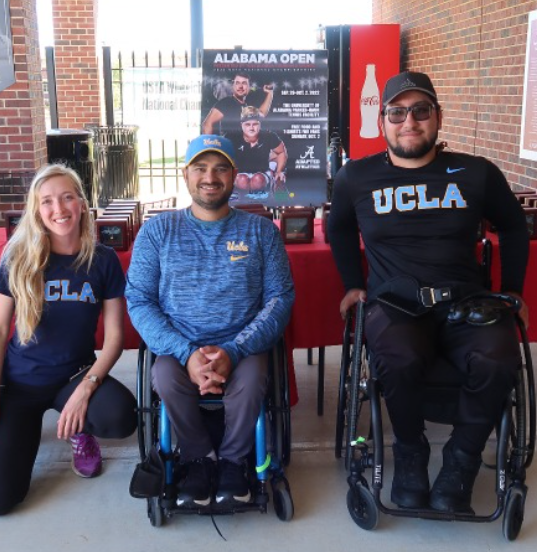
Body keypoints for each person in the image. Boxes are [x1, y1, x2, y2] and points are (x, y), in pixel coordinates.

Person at [328, 71, 529, 514]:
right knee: (397, 359)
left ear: (438, 117)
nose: (409, 121)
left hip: (467, 302)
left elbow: (515, 225)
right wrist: (352, 285)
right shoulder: (355, 177)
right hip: (394, 303)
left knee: (498, 358)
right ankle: (411, 454)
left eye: (421, 111)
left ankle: (461, 461)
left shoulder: (477, 173)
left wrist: (512, 290)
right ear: (382, 121)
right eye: (397, 112)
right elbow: (338, 228)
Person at [125, 135, 294, 508]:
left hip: (243, 345)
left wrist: (233, 351)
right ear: (185, 175)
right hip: (178, 345)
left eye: (220, 168)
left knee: (251, 382)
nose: (210, 177)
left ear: (234, 175)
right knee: (165, 377)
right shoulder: (156, 232)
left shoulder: (261, 232)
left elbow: (280, 299)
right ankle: (198, 458)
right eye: (200, 168)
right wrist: (187, 354)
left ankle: (234, 461)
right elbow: (139, 300)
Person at [0, 164, 137, 515]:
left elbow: (115, 339)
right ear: (36, 209)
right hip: (20, 384)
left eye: (66, 198)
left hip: (74, 374)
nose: (58, 209)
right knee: (3, 500)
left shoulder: (103, 261)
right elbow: (1, 330)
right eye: (47, 201)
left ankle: (80, 430)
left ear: (81, 203)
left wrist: (86, 388)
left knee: (121, 416)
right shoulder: (16, 258)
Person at [229, 106, 288, 196]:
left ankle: (277, 197)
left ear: (260, 124)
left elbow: (281, 152)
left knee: (258, 179)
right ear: (241, 125)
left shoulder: (269, 135)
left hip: (263, 172)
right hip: (240, 174)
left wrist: (279, 171)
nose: (251, 128)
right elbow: (220, 156)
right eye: (247, 124)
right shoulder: (232, 136)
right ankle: (243, 201)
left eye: (255, 124)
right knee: (242, 180)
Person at [201, 72, 274, 136]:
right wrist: (209, 148)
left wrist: (270, 94)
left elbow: (262, 113)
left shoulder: (247, 106)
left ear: (249, 87)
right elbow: (207, 124)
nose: (240, 86)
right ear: (233, 86)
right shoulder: (226, 103)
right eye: (237, 83)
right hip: (229, 149)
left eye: (244, 83)